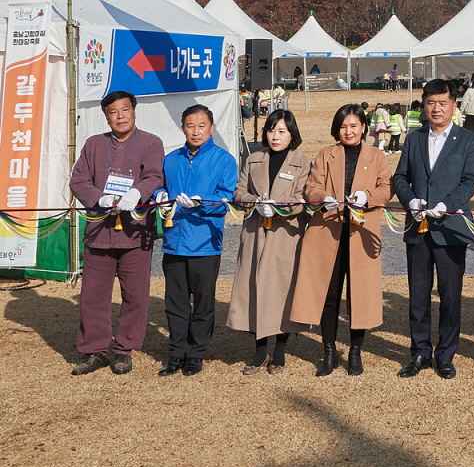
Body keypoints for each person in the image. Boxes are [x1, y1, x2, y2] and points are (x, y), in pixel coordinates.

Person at [68, 91, 165, 376]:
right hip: (100, 232)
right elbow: (78, 179)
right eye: (113, 111)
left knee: (135, 295)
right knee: (93, 295)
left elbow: (155, 176)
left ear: (134, 111)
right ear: (106, 115)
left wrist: (137, 192)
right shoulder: (94, 144)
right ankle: (95, 349)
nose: (120, 116)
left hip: (135, 233)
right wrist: (99, 198)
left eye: (125, 110)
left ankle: (123, 349)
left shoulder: (151, 143)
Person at [391, 79, 474, 380]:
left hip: (451, 227)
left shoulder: (468, 140)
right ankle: (419, 351)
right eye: (431, 103)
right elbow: (400, 178)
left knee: (450, 294)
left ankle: (446, 354)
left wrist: (448, 204)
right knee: (418, 294)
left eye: (443, 103)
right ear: (424, 105)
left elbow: (470, 180)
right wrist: (411, 200)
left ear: (454, 105)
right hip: (418, 228)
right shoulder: (414, 138)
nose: (437, 108)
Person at [292, 104, 392, 376]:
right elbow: (311, 186)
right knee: (329, 294)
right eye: (343, 126)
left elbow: (386, 188)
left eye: (353, 126)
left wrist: (368, 198)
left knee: (359, 295)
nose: (348, 131)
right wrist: (322, 196)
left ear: (363, 127)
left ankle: (356, 351)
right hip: (328, 231)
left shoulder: (377, 156)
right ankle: (328, 350)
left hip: (361, 232)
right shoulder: (326, 154)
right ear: (337, 129)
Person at [227, 109, 311, 375]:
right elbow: (239, 193)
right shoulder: (254, 159)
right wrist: (255, 203)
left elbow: (303, 198)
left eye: (282, 131)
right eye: (271, 130)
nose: (275, 136)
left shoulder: (302, 162)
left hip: (285, 235)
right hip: (255, 233)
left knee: (282, 292)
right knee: (254, 289)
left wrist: (280, 208)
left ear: (292, 134)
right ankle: (259, 350)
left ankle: (279, 352)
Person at [157, 105, 238, 377]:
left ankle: (196, 352)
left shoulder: (223, 160)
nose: (196, 131)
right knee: (175, 302)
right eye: (190, 125)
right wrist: (159, 195)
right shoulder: (171, 160)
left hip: (205, 242)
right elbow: (162, 188)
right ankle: (175, 352)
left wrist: (201, 203)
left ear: (211, 127)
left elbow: (226, 199)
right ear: (183, 128)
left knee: (203, 301)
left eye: (201, 125)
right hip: (175, 240)